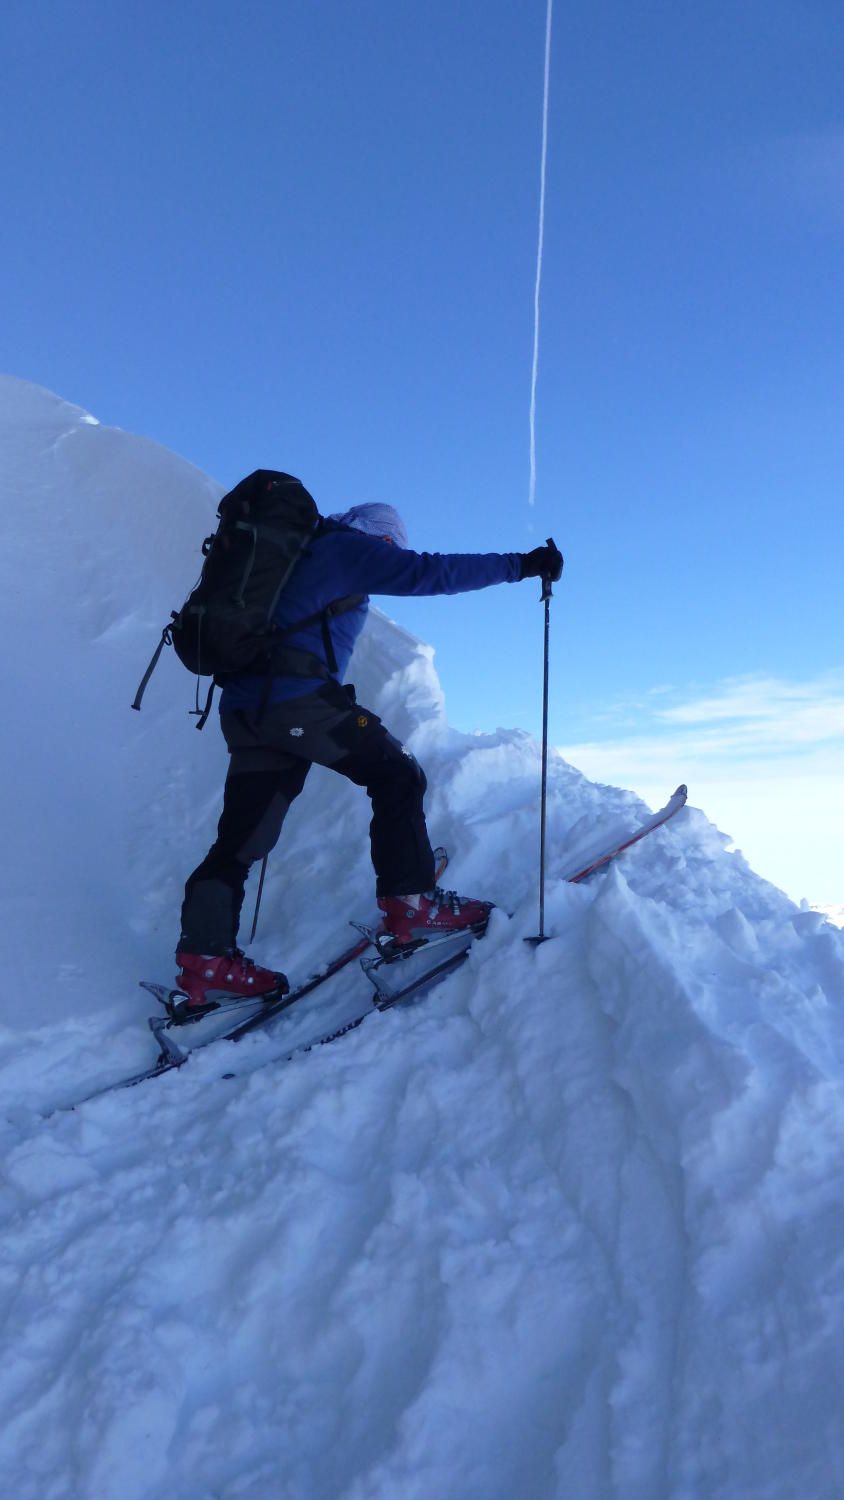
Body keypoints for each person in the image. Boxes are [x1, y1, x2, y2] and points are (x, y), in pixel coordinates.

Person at [176, 501, 562, 1011]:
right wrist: (522, 564)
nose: (392, 556)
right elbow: (431, 573)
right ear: (381, 538)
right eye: (392, 547)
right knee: (398, 774)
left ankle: (206, 961)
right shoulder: (345, 548)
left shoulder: (296, 557)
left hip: (246, 708)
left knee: (240, 840)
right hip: (296, 701)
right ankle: (412, 904)